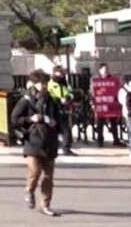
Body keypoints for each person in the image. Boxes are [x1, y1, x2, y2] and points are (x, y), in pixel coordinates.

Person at [11, 70, 61, 218]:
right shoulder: (26, 100)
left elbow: (59, 121)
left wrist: (55, 123)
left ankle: (45, 205)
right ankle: (29, 190)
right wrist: (30, 119)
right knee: (35, 170)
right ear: (34, 84)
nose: (44, 86)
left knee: (48, 176)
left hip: (49, 141)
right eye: (41, 83)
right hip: (32, 141)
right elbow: (14, 119)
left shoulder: (52, 100)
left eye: (46, 83)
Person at [91, 63, 123, 147]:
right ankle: (100, 140)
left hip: (111, 104)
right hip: (101, 104)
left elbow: (117, 90)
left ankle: (116, 139)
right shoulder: (96, 80)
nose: (106, 71)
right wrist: (93, 103)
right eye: (104, 70)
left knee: (114, 122)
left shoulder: (112, 80)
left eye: (107, 69)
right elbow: (93, 93)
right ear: (100, 71)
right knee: (100, 123)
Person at [47, 66, 76, 156]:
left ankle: (66, 148)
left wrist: (68, 98)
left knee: (66, 129)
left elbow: (71, 92)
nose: (61, 74)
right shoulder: (51, 83)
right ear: (54, 73)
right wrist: (59, 100)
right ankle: (55, 147)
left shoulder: (65, 83)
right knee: (55, 129)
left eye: (62, 72)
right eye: (59, 72)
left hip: (65, 108)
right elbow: (49, 95)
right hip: (55, 108)